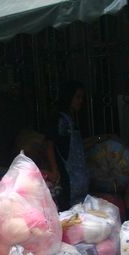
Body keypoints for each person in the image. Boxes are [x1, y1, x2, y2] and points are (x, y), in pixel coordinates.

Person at [43, 81, 90, 209]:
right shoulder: (59, 120)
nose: (80, 101)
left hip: (78, 177)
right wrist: (55, 170)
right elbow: (49, 144)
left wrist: (101, 138)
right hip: (66, 176)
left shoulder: (71, 120)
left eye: (82, 98)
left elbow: (78, 147)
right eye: (77, 97)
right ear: (68, 97)